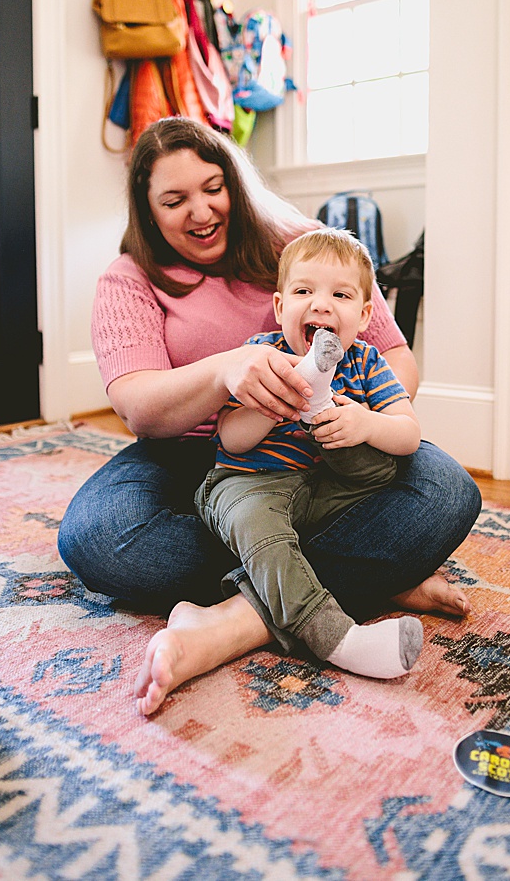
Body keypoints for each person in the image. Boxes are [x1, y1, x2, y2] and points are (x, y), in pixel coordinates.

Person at [55, 117, 479, 716]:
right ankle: (375, 573)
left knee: (447, 489)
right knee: (97, 537)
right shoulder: (128, 279)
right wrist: (227, 371)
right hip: (200, 452)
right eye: (174, 200)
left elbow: (395, 359)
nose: (201, 211)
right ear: (148, 212)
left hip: (324, 452)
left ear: (235, 181)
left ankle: (235, 621)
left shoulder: (307, 248)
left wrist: (359, 416)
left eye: (212, 187)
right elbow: (139, 408)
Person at [197, 228, 425, 682]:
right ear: (281, 307)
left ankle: (320, 402)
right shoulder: (260, 356)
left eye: (339, 294)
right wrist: (277, 403)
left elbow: (409, 434)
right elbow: (231, 440)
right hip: (252, 483)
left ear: (364, 316)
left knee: (389, 470)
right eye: (304, 291)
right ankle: (338, 639)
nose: (320, 304)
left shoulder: (366, 361)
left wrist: (365, 423)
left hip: (326, 488)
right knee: (260, 529)